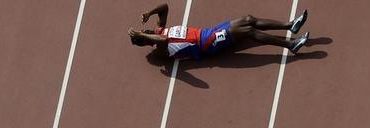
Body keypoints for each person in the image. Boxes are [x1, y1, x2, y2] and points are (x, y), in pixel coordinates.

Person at [129, 3, 309, 60]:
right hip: (207, 44)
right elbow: (163, 41)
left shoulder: (160, 29)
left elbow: (165, 7)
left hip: (209, 31)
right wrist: (142, 36)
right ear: (145, 41)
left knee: (248, 19)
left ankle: (290, 25)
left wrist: (149, 12)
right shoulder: (160, 51)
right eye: (143, 33)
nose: (145, 29)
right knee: (249, 31)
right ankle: (291, 45)